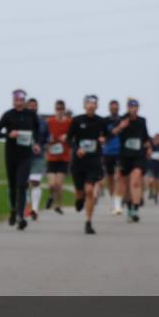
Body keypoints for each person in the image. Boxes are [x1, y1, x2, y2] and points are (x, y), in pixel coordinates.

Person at [0, 89, 41, 231]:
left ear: (24, 101)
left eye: (21, 100)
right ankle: (13, 210)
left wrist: (36, 142)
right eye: (16, 100)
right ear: (13, 101)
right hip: (11, 155)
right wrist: (8, 134)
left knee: (21, 185)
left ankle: (21, 216)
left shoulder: (31, 115)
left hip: (25, 156)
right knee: (13, 186)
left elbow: (36, 130)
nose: (19, 103)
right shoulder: (8, 115)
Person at [67, 94, 106, 235]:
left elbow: (106, 135)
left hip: (94, 160)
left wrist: (103, 139)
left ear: (97, 106)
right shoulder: (77, 120)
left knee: (90, 190)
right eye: (88, 103)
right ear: (84, 105)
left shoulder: (101, 121)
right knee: (80, 192)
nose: (91, 105)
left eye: (94, 103)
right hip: (79, 161)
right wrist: (77, 149)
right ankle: (79, 200)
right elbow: (68, 139)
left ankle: (88, 222)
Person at [111, 98, 151, 223]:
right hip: (125, 157)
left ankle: (135, 209)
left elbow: (145, 137)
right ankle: (129, 208)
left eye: (136, 107)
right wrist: (120, 127)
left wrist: (149, 147)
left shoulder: (142, 121)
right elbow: (112, 133)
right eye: (131, 107)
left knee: (135, 182)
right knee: (126, 185)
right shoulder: (121, 119)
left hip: (138, 156)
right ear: (128, 108)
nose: (134, 109)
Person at [45, 99, 72, 214]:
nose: (60, 111)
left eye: (61, 109)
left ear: (64, 110)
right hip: (51, 157)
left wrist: (67, 136)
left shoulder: (69, 122)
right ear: (55, 110)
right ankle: (51, 196)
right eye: (58, 109)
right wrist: (48, 139)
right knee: (52, 184)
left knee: (59, 184)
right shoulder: (49, 122)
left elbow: (74, 135)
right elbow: (43, 135)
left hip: (63, 157)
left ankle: (58, 205)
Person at [25, 97, 49, 220]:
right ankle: (27, 208)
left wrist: (41, 146)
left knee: (35, 181)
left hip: (38, 156)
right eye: (30, 105)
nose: (33, 107)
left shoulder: (43, 122)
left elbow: (47, 137)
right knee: (23, 183)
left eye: (35, 105)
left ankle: (35, 209)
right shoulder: (22, 120)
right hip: (23, 155)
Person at [102, 100, 124, 215]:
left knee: (119, 177)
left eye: (116, 107)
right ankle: (112, 199)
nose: (114, 109)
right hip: (108, 152)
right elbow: (103, 135)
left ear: (119, 108)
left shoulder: (123, 120)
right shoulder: (105, 121)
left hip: (120, 152)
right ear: (109, 108)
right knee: (110, 178)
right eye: (112, 107)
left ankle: (118, 204)